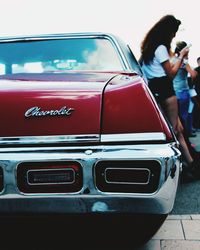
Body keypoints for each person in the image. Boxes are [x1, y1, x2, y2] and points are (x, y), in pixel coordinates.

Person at [139, 14, 200, 181]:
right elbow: (171, 74)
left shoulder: (149, 50)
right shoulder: (160, 49)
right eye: (174, 32)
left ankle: (191, 163)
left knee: (178, 129)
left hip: (156, 90)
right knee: (173, 132)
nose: (174, 36)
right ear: (168, 32)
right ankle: (179, 168)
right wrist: (182, 56)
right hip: (167, 91)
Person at [172, 41, 197, 137]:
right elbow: (193, 74)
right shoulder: (183, 61)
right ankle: (186, 135)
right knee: (184, 115)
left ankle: (178, 135)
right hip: (183, 92)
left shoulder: (173, 59)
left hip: (174, 91)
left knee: (176, 116)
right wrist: (186, 59)